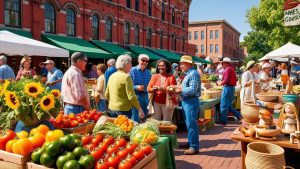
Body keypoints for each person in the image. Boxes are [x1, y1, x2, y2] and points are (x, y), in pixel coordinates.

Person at [105, 54, 144, 119]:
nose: (131, 65)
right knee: (123, 128)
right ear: (125, 64)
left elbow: (106, 94)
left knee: (114, 128)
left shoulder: (112, 76)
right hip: (123, 110)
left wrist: (112, 103)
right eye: (130, 63)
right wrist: (139, 109)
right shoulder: (126, 77)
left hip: (111, 108)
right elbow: (131, 96)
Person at [176, 55, 201, 155]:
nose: (180, 65)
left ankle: (194, 147)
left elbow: (193, 89)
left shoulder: (193, 74)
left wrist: (180, 90)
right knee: (189, 124)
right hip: (187, 101)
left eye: (182, 64)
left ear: (188, 64)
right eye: (180, 64)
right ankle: (191, 143)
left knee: (191, 124)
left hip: (191, 101)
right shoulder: (189, 73)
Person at [218, 57, 242, 125]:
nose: (222, 65)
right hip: (231, 88)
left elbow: (226, 80)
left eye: (222, 63)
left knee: (223, 105)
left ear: (225, 63)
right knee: (228, 105)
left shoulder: (228, 69)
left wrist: (220, 83)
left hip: (228, 88)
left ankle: (223, 120)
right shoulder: (231, 69)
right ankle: (239, 116)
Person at [130, 54, 151, 122]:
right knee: (135, 117)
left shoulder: (148, 72)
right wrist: (136, 87)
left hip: (145, 96)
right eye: (143, 60)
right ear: (138, 60)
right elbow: (127, 86)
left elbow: (150, 85)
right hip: (135, 96)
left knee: (144, 117)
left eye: (146, 61)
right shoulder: (132, 70)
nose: (145, 62)